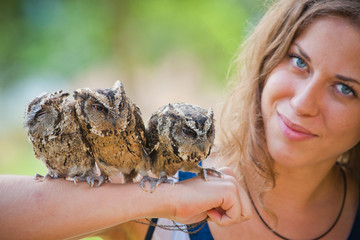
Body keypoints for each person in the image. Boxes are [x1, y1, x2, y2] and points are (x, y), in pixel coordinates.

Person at [0, 0, 359, 239]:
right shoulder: (157, 185)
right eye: (299, 62)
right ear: (269, 58)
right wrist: (160, 200)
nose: (303, 102)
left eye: (345, 88)